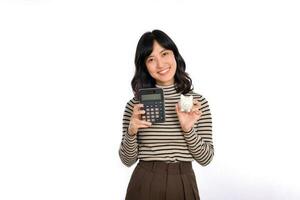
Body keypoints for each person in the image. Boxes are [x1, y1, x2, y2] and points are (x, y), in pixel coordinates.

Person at [118, 29, 214, 200]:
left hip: (183, 181)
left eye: (164, 54)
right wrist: (131, 132)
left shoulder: (197, 103)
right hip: (145, 180)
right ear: (144, 65)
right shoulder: (135, 106)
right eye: (151, 59)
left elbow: (206, 159)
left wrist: (187, 129)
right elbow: (127, 161)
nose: (160, 64)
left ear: (175, 55)